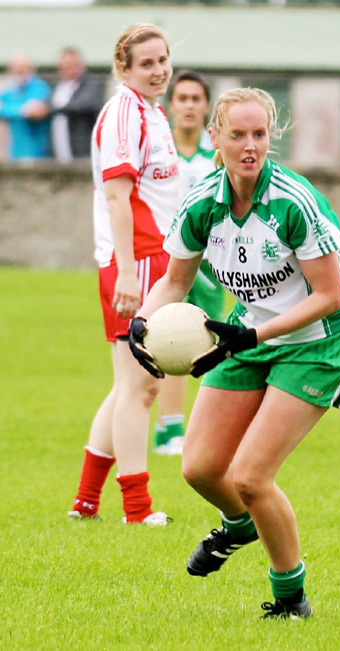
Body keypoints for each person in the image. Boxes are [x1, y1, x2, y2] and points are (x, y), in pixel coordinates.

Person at [128, 87, 340, 617]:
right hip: (249, 334)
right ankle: (239, 526)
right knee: (201, 468)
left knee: (251, 477)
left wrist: (253, 336)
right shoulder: (202, 206)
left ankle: (290, 600)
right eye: (238, 134)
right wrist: (142, 321)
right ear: (216, 137)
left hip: (318, 342)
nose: (250, 145)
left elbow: (329, 296)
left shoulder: (293, 201)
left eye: (260, 134)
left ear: (270, 138)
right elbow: (174, 281)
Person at [68, 23, 182, 525]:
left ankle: (86, 502)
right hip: (132, 260)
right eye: (147, 63)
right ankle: (137, 509)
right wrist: (128, 275)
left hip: (152, 257)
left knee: (127, 385)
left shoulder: (152, 113)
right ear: (124, 69)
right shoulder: (123, 113)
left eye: (163, 60)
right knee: (143, 387)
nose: (159, 70)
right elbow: (117, 196)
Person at [153, 70, 225, 455]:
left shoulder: (214, 159)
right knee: (168, 336)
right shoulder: (161, 156)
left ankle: (203, 429)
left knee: (208, 342)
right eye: (182, 98)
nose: (190, 105)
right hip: (168, 260)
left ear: (207, 106)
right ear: (170, 106)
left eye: (197, 99)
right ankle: (169, 428)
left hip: (211, 264)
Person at [50, 48, 104, 162]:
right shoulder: (56, 86)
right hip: (59, 148)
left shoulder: (91, 83)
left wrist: (52, 109)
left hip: (83, 149)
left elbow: (83, 104)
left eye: (71, 64)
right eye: (64, 65)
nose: (67, 68)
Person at [0, 53, 51, 160]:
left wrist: (9, 109)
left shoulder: (40, 87)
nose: (20, 71)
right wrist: (22, 109)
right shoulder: (10, 92)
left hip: (37, 152)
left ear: (31, 69)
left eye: (23, 67)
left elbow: (34, 111)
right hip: (15, 152)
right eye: (16, 68)